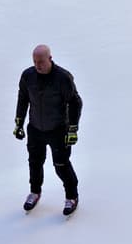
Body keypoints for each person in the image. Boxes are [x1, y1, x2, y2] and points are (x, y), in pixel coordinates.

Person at [14, 44, 82, 216]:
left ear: (50, 59)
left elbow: (75, 102)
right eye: (35, 61)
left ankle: (72, 196)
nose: (38, 65)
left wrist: (73, 129)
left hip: (58, 130)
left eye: (41, 62)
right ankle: (35, 191)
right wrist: (19, 123)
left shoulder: (62, 77)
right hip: (36, 128)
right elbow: (23, 99)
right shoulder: (28, 76)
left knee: (61, 165)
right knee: (35, 162)